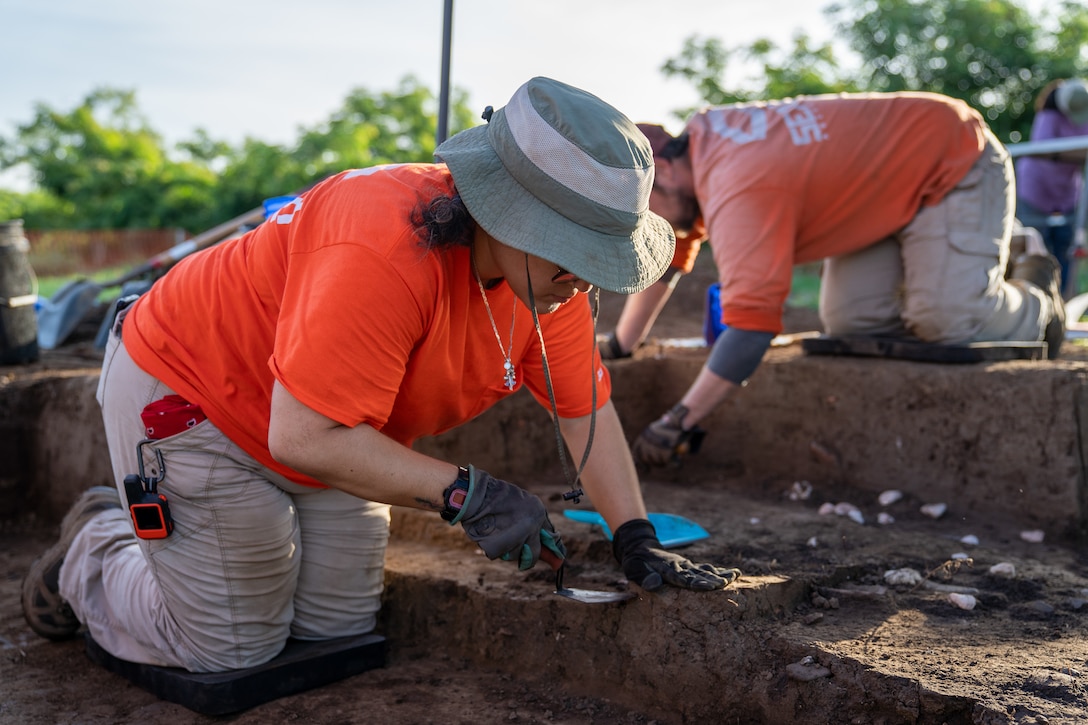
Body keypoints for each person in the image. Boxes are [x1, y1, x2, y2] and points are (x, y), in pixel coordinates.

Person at [21, 77, 740, 674]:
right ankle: (94, 550)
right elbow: (303, 433)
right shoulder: (381, 246)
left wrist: (635, 537)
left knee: (334, 630)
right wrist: (466, 493)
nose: (585, 282)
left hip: (326, 422)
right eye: (572, 255)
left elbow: (586, 407)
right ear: (509, 216)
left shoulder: (550, 285)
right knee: (233, 646)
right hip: (195, 398)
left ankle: (219, 545)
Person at [603, 92, 1066, 467]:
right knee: (852, 321)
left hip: (952, 160)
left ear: (660, 172)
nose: (647, 223)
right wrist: (623, 344)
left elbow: (751, 326)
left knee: (946, 320)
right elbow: (671, 256)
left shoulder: (738, 183)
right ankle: (947, 269)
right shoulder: (700, 151)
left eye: (643, 210)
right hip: (883, 196)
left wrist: (678, 421)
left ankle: (1035, 296)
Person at [1015, 78, 1088, 296]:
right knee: (1037, 250)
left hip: (1067, 195)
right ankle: (1035, 300)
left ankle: (1062, 301)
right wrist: (1080, 152)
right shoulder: (1049, 116)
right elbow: (1043, 149)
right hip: (1035, 193)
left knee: (1066, 251)